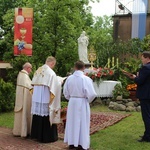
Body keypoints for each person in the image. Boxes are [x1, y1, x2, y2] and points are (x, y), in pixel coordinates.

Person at [63, 60, 97, 150]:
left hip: (72, 102)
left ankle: (72, 142)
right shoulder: (85, 79)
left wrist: (71, 98)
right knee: (82, 122)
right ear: (83, 68)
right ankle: (81, 144)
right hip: (82, 102)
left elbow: (65, 92)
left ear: (75, 67)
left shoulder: (69, 78)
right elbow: (92, 94)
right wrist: (87, 100)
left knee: (72, 122)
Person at [31, 56, 62, 143]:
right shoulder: (51, 73)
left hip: (37, 99)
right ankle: (47, 137)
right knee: (46, 116)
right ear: (52, 63)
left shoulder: (38, 70)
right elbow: (54, 87)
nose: (53, 66)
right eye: (54, 65)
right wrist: (60, 82)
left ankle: (37, 135)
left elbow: (32, 85)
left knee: (38, 116)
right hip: (46, 100)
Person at [127, 51, 150, 142]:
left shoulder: (145, 68)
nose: (142, 60)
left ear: (147, 58)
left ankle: (147, 136)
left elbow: (140, 81)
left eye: (142, 58)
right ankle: (147, 133)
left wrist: (134, 77)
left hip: (146, 95)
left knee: (146, 116)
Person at [13, 62, 33, 137]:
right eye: (30, 68)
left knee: (20, 116)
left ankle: (18, 131)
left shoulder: (20, 74)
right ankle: (24, 132)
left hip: (20, 99)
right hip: (24, 100)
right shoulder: (24, 76)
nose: (31, 70)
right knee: (23, 114)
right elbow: (29, 88)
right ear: (28, 68)